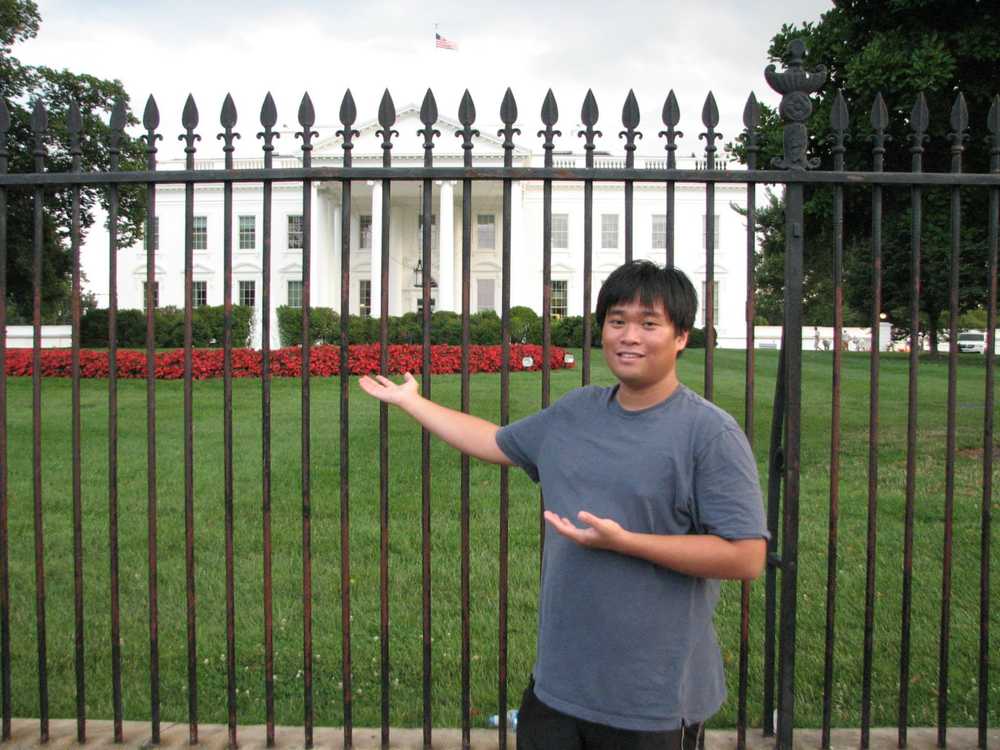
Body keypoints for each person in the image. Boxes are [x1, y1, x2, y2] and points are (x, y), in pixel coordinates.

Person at [359, 261, 768, 750]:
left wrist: (627, 543)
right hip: (558, 688)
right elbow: (494, 441)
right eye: (617, 321)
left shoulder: (709, 434)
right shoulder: (578, 412)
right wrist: (412, 402)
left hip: (652, 699)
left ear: (681, 336)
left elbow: (746, 556)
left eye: (649, 323)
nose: (629, 336)